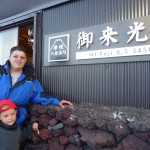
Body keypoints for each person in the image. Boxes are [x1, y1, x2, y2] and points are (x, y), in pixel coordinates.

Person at [0, 46, 72, 125]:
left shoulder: (30, 79)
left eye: (22, 57)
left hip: (15, 119)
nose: (19, 59)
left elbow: (38, 95)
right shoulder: (1, 73)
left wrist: (57, 100)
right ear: (10, 58)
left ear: (25, 60)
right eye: (15, 56)